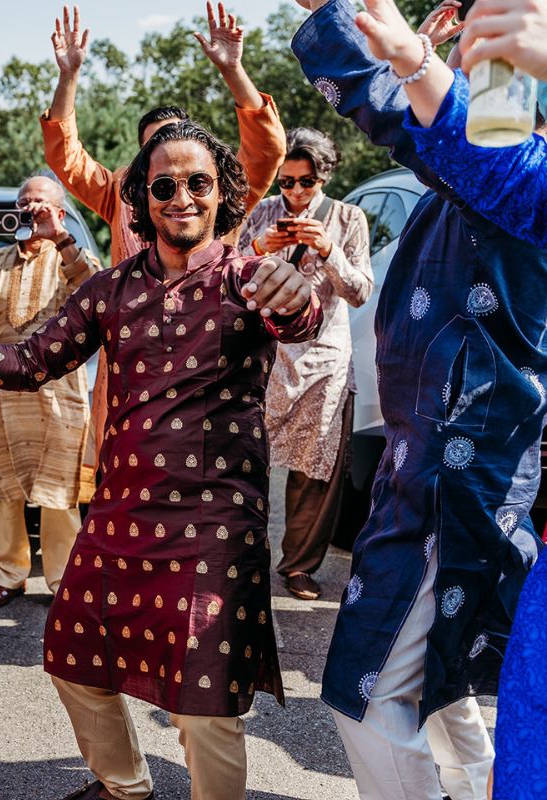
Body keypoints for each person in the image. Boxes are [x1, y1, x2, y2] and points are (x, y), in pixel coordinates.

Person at [0, 121, 321, 800]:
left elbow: (296, 316)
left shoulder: (247, 279)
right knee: (72, 658)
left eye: (198, 183)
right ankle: (125, 788)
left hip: (215, 525)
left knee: (202, 703)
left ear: (221, 195)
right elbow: (30, 362)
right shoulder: (110, 289)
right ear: (142, 200)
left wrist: (297, 299)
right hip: (122, 511)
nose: (181, 196)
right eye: (164, 185)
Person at [292, 0, 547, 797]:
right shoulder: (467, 182)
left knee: (364, 696)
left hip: (457, 482)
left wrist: (397, 49)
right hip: (431, 472)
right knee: (444, 692)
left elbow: (482, 132)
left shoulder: (510, 177)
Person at [43, 3, 288, 458]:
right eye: (158, 169)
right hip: (130, 361)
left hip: (210, 357)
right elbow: (65, 157)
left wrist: (234, 71)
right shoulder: (122, 191)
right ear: (141, 173)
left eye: (191, 172)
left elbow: (267, 150)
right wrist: (69, 76)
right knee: (121, 477)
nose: (179, 194)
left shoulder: (215, 191)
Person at [0, 175, 100, 608]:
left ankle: (61, 580)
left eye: (40, 204)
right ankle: (9, 574)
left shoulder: (72, 255)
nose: (31, 210)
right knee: (3, 489)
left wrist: (61, 237)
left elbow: (95, 291)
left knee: (58, 493)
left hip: (59, 398)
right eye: (24, 202)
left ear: (60, 212)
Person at [238, 127, 373, 601]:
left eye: (305, 182)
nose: (295, 192)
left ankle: (298, 565)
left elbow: (360, 291)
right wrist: (261, 248)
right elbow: (229, 272)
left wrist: (328, 249)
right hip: (266, 357)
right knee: (247, 458)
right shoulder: (262, 214)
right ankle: (241, 555)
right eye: (286, 182)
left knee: (316, 467)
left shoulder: (348, 217)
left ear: (324, 177)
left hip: (325, 360)